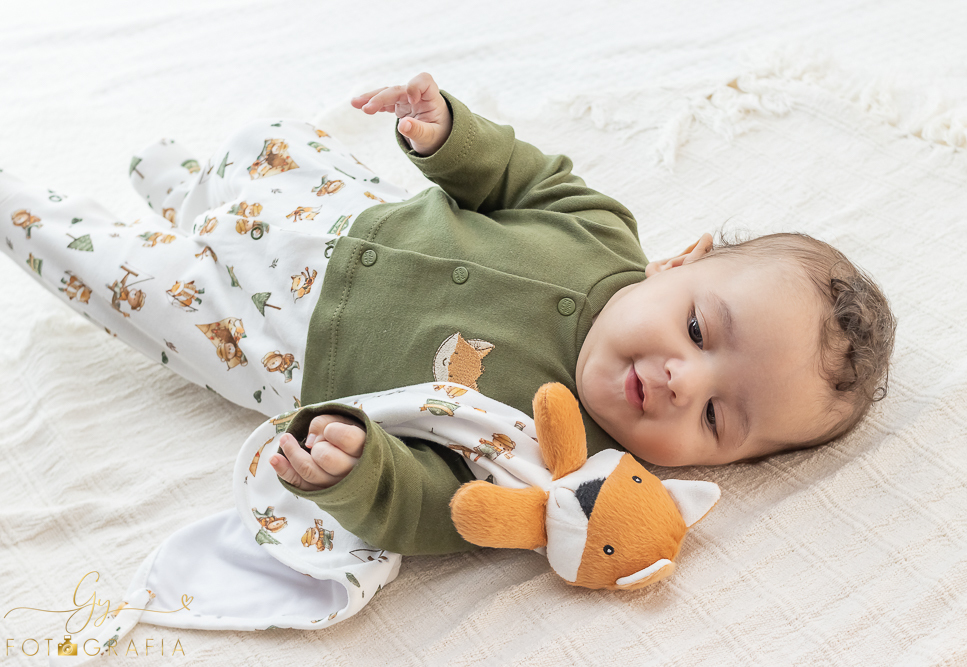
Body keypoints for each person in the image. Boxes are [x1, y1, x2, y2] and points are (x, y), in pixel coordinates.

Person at [0, 72, 895, 556]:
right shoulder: (600, 231)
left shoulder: (557, 463)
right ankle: (176, 179)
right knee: (252, 151)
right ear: (682, 259)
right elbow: (522, 177)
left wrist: (360, 470)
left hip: (264, 339)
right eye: (699, 332)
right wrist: (449, 135)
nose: (677, 377)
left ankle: (24, 209)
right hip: (338, 209)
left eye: (715, 416)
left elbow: (441, 503)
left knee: (120, 276)